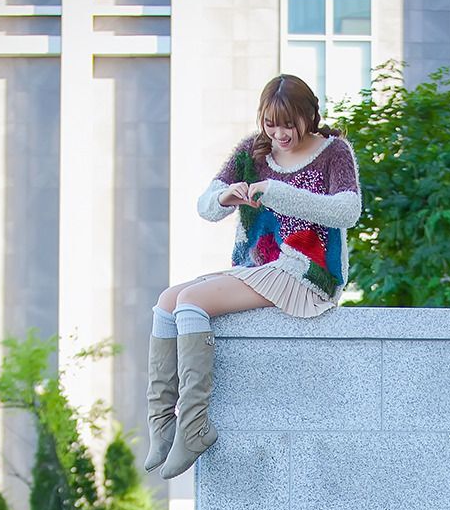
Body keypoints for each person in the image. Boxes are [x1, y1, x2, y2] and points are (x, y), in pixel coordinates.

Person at [144, 72, 363, 480]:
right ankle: (162, 421)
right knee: (167, 301)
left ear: (309, 115)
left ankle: (194, 428)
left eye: (288, 124)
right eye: (270, 123)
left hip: (307, 273)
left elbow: (347, 210)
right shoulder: (253, 151)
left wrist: (273, 192)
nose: (279, 133)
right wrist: (226, 196)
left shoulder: (335, 152)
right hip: (260, 266)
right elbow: (206, 206)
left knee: (193, 303)